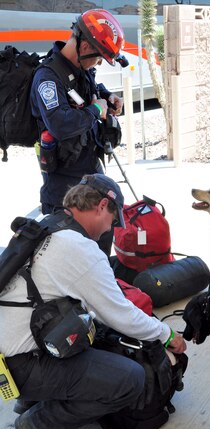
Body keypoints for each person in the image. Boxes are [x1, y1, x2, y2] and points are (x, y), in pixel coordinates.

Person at [0, 173, 186, 429]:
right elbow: (120, 315)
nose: (108, 230)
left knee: (84, 330)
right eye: (112, 221)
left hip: (9, 357)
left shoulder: (47, 225)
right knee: (129, 379)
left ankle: (31, 400)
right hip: (23, 365)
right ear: (101, 206)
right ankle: (40, 424)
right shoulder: (80, 248)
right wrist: (168, 335)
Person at [30, 9, 125, 255]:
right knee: (68, 253)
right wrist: (96, 109)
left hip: (90, 172)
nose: (99, 63)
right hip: (63, 182)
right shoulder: (47, 78)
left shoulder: (82, 70)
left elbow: (90, 89)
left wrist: (108, 97)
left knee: (101, 244)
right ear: (84, 46)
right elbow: (60, 124)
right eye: (99, 56)